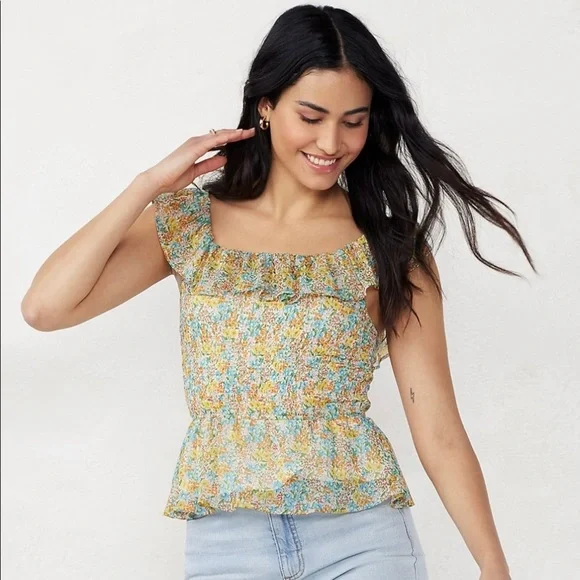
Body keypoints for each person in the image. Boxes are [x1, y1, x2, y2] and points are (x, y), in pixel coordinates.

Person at [21, 5, 535, 579]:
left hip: (363, 541)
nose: (331, 142)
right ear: (265, 106)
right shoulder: (190, 226)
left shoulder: (390, 247)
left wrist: (493, 565)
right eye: (311, 116)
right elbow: (45, 308)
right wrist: (148, 185)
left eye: (353, 121)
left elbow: (437, 428)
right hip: (228, 548)